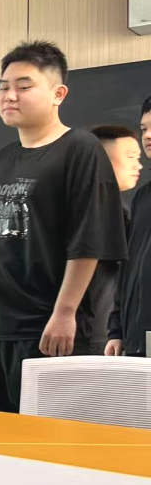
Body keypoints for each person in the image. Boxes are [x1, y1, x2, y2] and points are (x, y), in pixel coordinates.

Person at [0, 41, 127, 412]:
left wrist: (65, 313)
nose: (9, 95)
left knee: (45, 437)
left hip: (46, 327)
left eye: (24, 86)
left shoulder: (80, 149)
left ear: (58, 94)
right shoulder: (2, 159)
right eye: (4, 87)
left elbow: (89, 240)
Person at [87, 125, 142, 355]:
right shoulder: (110, 211)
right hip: (96, 334)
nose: (138, 165)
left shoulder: (121, 208)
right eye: (130, 157)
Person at [107, 96, 151, 357]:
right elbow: (128, 265)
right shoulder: (142, 197)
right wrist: (117, 330)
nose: (148, 136)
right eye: (144, 128)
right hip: (138, 340)